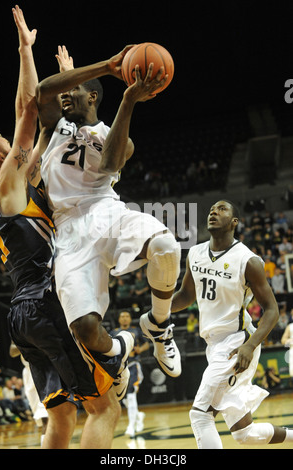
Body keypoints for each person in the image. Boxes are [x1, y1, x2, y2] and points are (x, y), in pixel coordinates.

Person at [0, 6, 133, 449]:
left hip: (21, 315)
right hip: (43, 302)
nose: (6, 139)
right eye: (2, 142)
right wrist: (25, 51)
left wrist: (68, 86)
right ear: (1, 159)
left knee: (62, 416)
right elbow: (27, 110)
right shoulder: (9, 186)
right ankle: (120, 354)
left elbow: (44, 134)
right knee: (105, 407)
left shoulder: (26, 184)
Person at [36, 44, 182, 379]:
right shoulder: (53, 126)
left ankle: (159, 323)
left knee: (166, 245)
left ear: (92, 98)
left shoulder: (115, 137)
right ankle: (119, 350)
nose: (64, 96)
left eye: (73, 91)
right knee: (85, 330)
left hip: (105, 211)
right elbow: (44, 89)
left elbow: (112, 162)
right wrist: (107, 65)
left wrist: (128, 100)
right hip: (68, 230)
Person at [171, 199, 293, 448]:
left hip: (237, 342)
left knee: (200, 414)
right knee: (244, 434)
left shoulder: (248, 260)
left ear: (234, 222)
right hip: (214, 345)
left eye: (222, 209)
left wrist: (250, 345)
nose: (213, 211)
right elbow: (185, 295)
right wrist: (158, 309)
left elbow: (272, 311)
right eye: (211, 209)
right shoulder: (194, 253)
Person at [110, 310, 149, 437]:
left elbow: (147, 344)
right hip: (119, 368)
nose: (125, 318)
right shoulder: (113, 332)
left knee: (131, 394)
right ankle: (138, 415)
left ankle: (131, 426)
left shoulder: (136, 330)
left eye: (127, 316)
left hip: (133, 365)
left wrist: (140, 349)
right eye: (122, 316)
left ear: (130, 319)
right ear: (119, 319)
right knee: (124, 398)